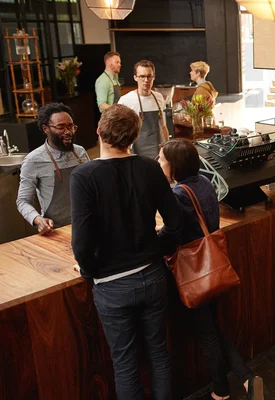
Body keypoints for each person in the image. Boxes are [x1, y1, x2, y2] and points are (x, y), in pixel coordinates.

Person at [71, 104, 183, 400]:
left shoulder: (83, 176)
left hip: (112, 285)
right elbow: (175, 222)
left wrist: (90, 271)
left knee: (125, 363)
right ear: (133, 136)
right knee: (159, 353)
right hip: (152, 275)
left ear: (98, 131)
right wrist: (156, 249)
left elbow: (81, 243)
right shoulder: (149, 167)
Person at [157, 139, 264, 400]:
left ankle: (223, 390)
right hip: (213, 265)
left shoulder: (179, 194)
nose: (158, 162)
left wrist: (156, 237)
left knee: (208, 335)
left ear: (174, 165)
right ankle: (247, 379)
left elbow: (174, 235)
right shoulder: (204, 182)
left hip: (193, 271)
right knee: (213, 329)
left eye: (161, 158)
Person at [16, 103, 89, 234]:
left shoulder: (80, 152)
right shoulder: (33, 160)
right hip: (56, 230)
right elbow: (23, 201)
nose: (68, 132)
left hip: (86, 223)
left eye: (71, 126)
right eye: (61, 127)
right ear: (46, 129)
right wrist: (38, 219)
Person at [118, 60, 169, 159]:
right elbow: (121, 132)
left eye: (149, 76)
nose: (146, 80)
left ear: (153, 77)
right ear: (135, 78)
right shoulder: (125, 100)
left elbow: (163, 126)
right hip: (136, 152)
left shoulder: (158, 97)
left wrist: (167, 146)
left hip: (158, 151)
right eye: (142, 76)